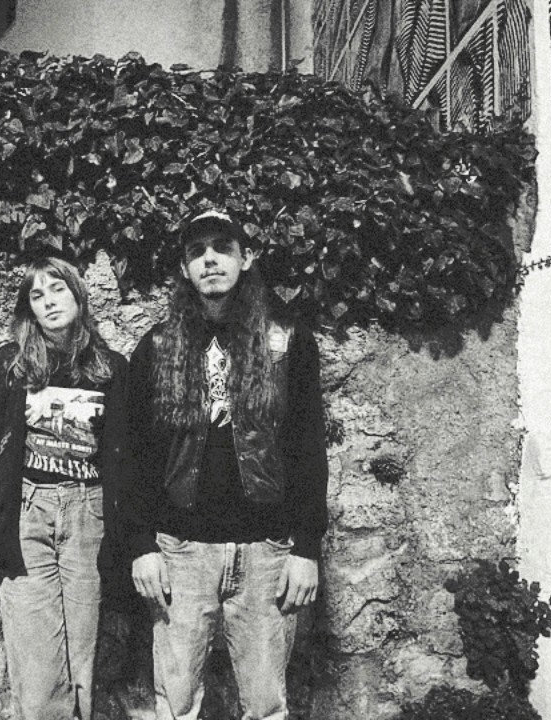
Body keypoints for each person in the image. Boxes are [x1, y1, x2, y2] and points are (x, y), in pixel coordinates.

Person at [124, 210, 329, 720]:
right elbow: (136, 454)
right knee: (176, 705)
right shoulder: (157, 346)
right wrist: (142, 545)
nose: (210, 259)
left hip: (266, 551)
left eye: (222, 247)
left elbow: (307, 447)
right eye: (197, 252)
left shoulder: (287, 342)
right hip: (181, 551)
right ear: (184, 268)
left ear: (246, 257)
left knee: (265, 705)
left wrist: (306, 547)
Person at [0, 257, 128, 720]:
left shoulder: (112, 368)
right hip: (25, 511)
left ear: (78, 296)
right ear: (28, 309)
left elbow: (128, 453)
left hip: (88, 513)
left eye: (58, 289)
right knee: (37, 671)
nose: (49, 302)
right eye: (37, 295)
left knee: (83, 658)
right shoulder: (8, 365)